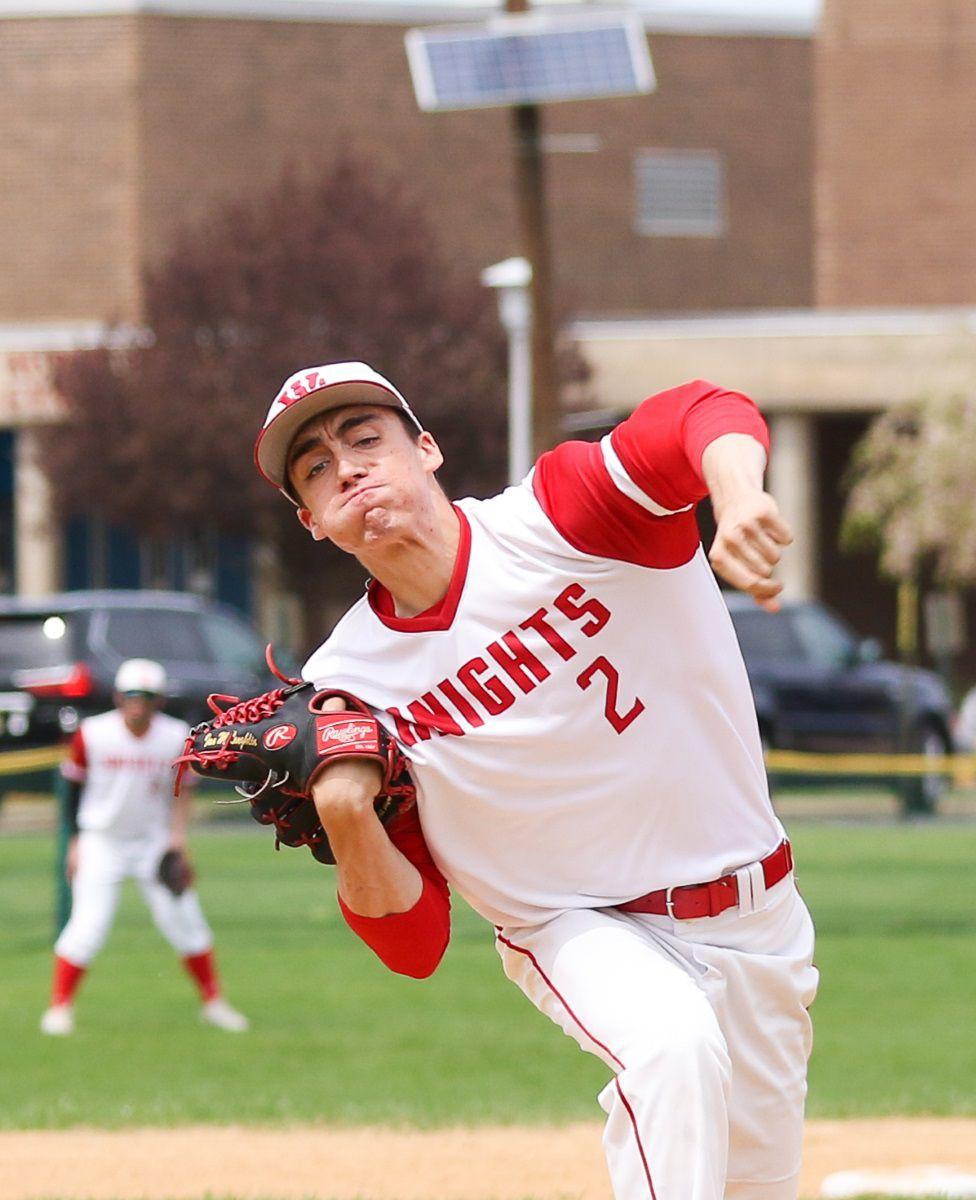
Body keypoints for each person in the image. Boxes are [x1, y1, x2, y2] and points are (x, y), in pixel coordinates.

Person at [255, 362, 818, 1199]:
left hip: (758, 917)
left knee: (748, 1183)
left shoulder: (559, 517)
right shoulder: (348, 686)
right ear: (312, 520)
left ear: (427, 449)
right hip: (576, 927)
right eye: (316, 467)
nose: (347, 468)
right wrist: (346, 817)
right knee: (671, 1046)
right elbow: (412, 945)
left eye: (366, 439)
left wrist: (735, 496)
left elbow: (703, 408)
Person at [40, 658, 249, 1036]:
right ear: (119, 697)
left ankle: (214, 1003)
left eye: (147, 696)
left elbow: (184, 789)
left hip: (154, 842)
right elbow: (72, 789)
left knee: (185, 921)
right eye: (133, 695)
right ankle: (59, 1008)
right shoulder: (93, 733)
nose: (139, 703)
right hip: (102, 840)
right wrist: (75, 842)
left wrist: (178, 840)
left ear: (159, 701)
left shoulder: (174, 735)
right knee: (88, 926)